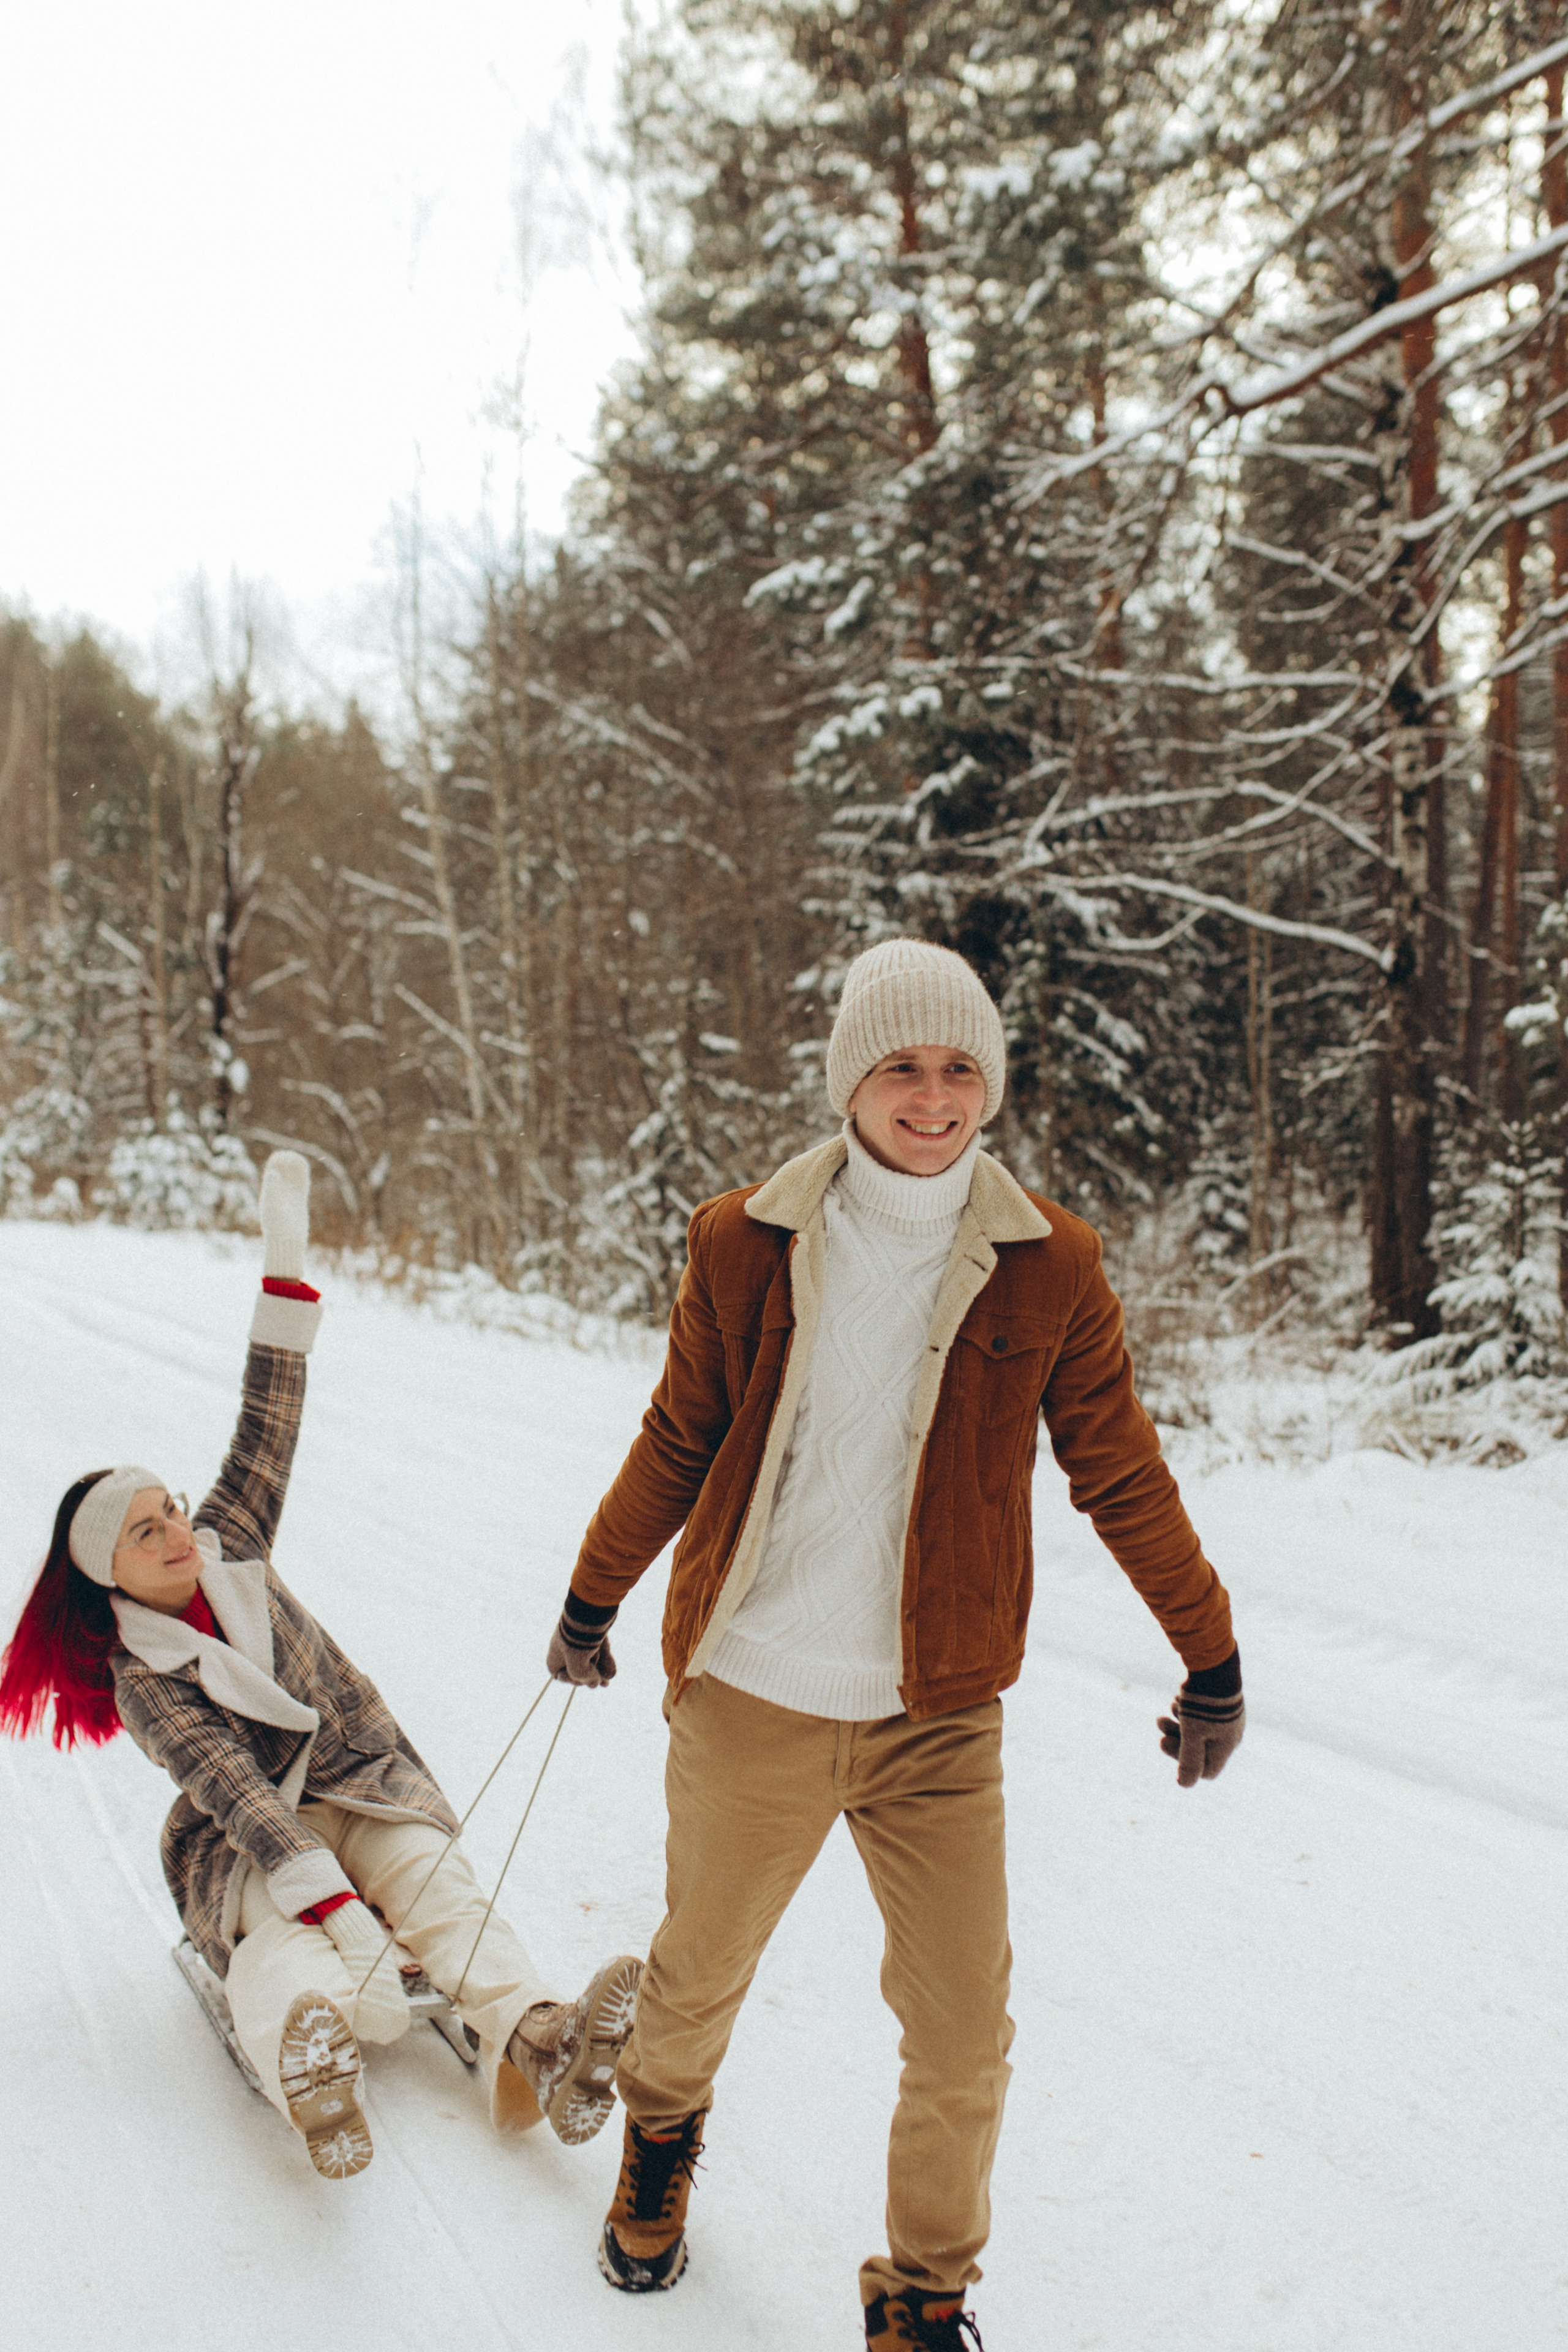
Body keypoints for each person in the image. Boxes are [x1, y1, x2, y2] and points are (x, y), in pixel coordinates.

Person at [543, 938, 1245, 2350]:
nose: (932, 1099)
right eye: (901, 1068)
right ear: (849, 1082)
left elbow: (1118, 1469)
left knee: (960, 2024)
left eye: (959, 1069)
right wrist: (590, 1597)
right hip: (754, 1690)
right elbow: (679, 1437)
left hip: (936, 1718)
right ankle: (659, 2145)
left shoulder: (1051, 1264)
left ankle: (923, 2297)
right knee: (695, 1975)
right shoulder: (744, 1239)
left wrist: (1209, 1653)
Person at [1, 1150, 641, 2182]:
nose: (174, 1532)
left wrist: (285, 1269)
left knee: (439, 1889)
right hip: (246, 1832)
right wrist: (340, 1914)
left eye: (169, 1508)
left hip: (354, 1774)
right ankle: (311, 2063)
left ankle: (541, 2038)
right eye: (143, 1532)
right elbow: (236, 1791)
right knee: (279, 1943)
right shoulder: (141, 1674)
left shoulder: (231, 1539)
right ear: (107, 1575)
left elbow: (268, 1422)